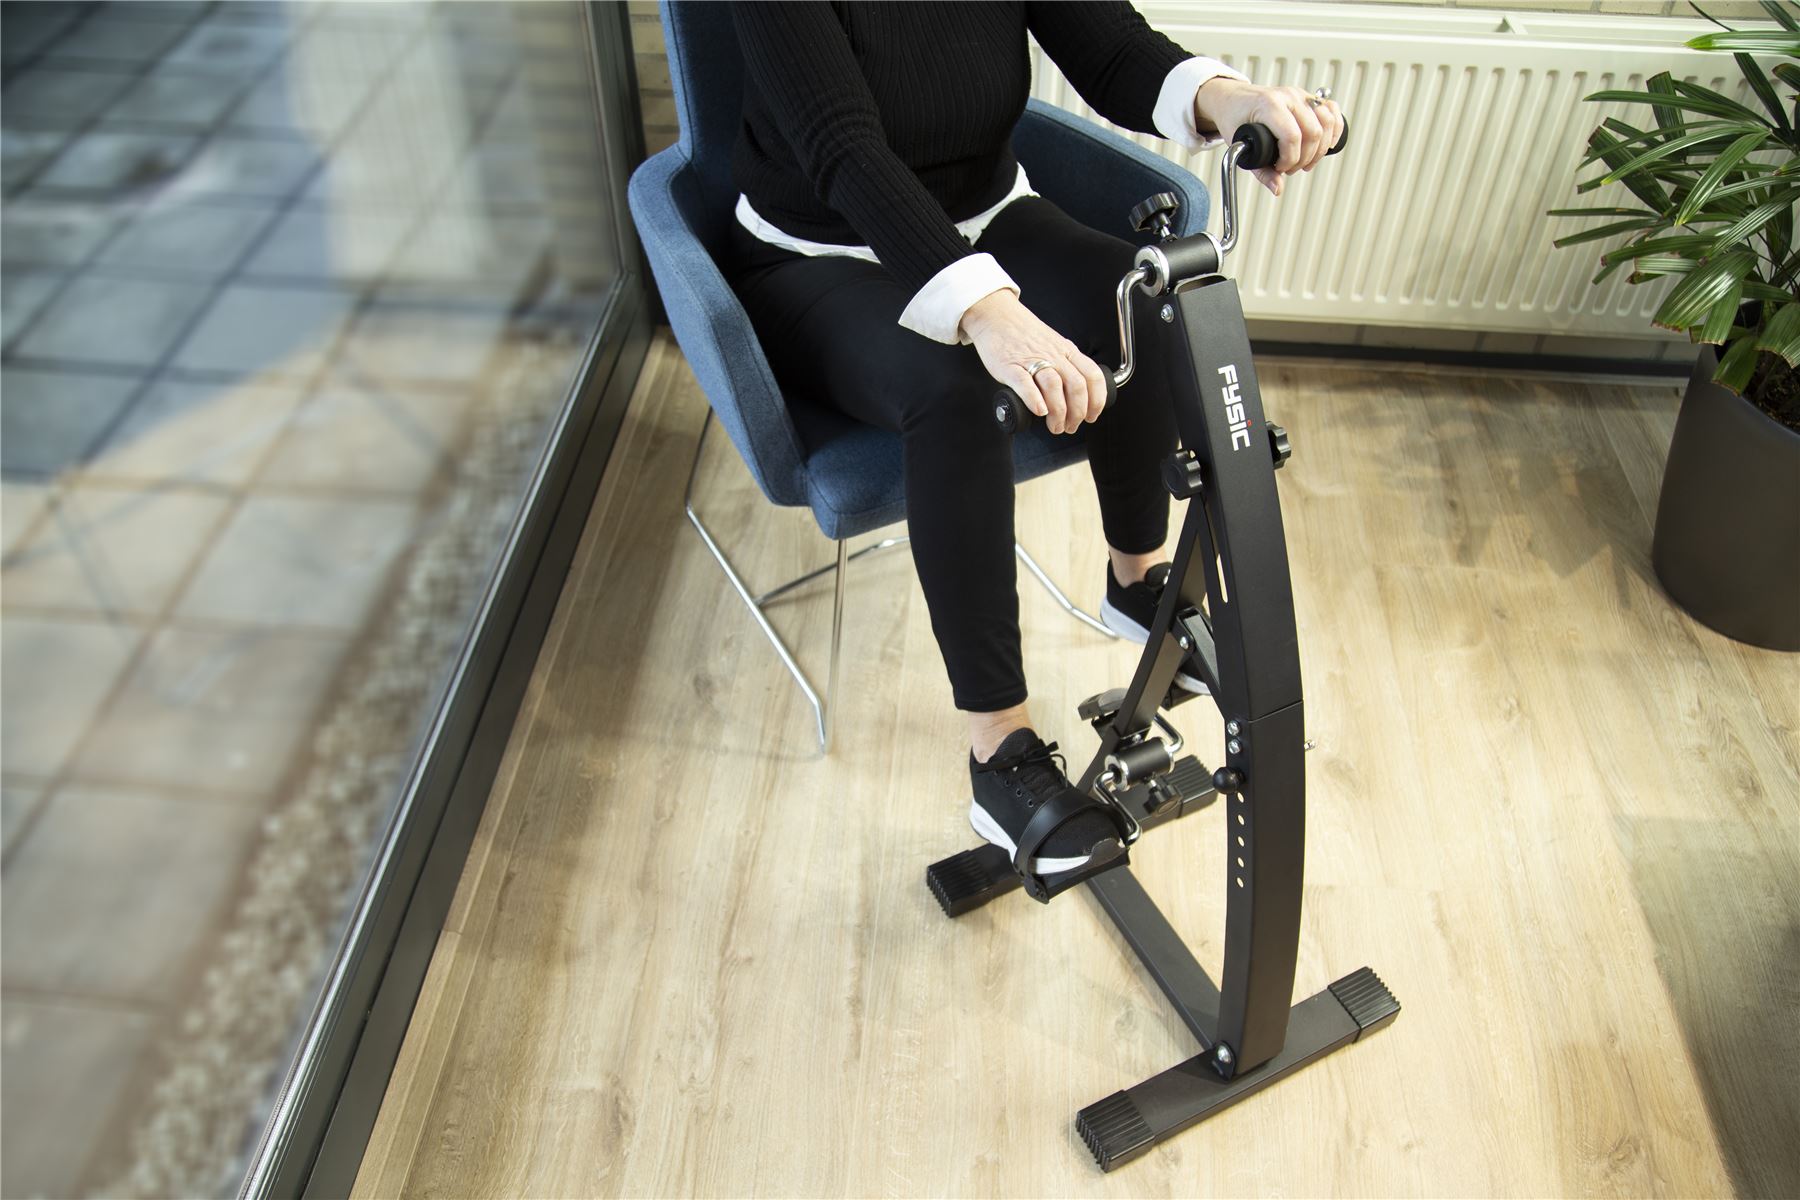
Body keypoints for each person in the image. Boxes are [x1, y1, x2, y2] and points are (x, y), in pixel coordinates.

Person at [721, 1, 1343, 876]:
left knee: (1146, 302)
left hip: (987, 218)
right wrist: (988, 312)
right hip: (819, 250)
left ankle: (1135, 581)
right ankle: (1000, 756)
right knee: (960, 396)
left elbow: (1113, 50)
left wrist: (1231, 100)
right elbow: (842, 149)